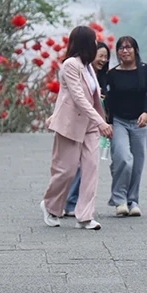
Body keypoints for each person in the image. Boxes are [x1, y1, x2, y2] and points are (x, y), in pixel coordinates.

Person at [40, 26, 112, 231]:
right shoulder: (70, 65)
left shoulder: (88, 66)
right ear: (85, 42)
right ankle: (51, 206)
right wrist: (101, 121)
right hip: (71, 124)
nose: (96, 44)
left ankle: (85, 216)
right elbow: (77, 97)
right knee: (66, 170)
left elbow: (88, 95)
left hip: (90, 125)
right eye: (93, 40)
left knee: (91, 169)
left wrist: (97, 121)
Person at [106, 35, 147, 217]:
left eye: (128, 47)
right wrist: (107, 123)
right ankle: (119, 200)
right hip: (119, 122)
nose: (125, 51)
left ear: (136, 50)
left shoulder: (146, 71)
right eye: (121, 48)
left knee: (137, 164)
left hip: (138, 123)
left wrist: (146, 113)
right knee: (123, 159)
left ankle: (132, 200)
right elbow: (109, 100)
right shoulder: (112, 74)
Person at [63, 42, 109, 216]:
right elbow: (71, 96)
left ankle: (77, 207)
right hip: (77, 123)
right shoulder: (78, 69)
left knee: (89, 165)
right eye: (100, 55)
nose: (103, 60)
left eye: (106, 57)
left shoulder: (103, 77)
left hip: (94, 126)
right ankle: (61, 202)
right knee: (71, 166)